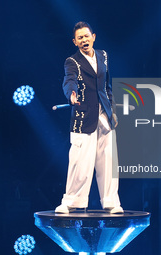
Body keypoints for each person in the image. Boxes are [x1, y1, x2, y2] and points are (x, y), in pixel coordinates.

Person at [55, 21, 123, 214]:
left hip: (104, 115)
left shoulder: (103, 56)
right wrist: (71, 94)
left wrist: (113, 110)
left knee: (108, 160)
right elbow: (69, 80)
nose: (84, 40)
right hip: (83, 116)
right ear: (75, 42)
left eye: (87, 36)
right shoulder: (72, 61)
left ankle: (111, 201)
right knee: (80, 161)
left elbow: (106, 86)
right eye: (80, 38)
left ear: (93, 37)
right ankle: (70, 201)